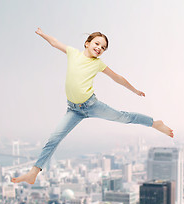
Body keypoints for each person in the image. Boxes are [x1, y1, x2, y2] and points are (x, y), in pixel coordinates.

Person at [11, 28, 173, 184]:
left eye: (103, 48)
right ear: (87, 43)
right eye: (97, 44)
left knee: (123, 117)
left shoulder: (98, 64)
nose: (99, 48)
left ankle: (154, 123)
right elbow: (55, 42)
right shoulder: (73, 53)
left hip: (91, 105)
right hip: (73, 110)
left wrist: (135, 90)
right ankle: (34, 172)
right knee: (54, 139)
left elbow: (117, 78)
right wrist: (42, 34)